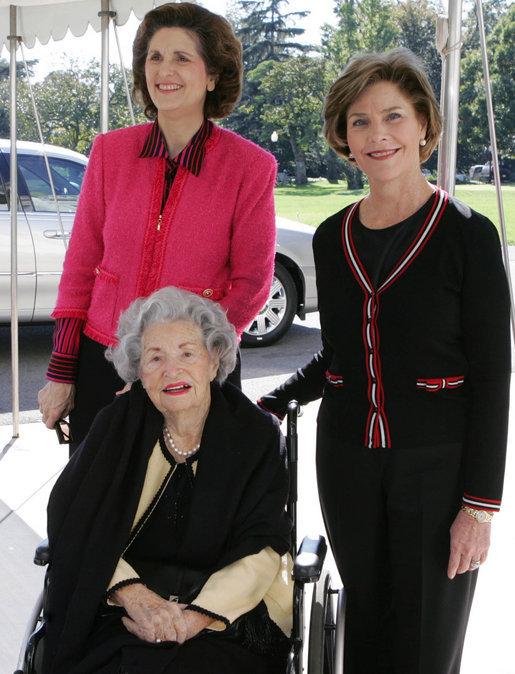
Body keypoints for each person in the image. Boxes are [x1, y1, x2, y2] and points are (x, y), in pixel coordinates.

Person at [258, 48, 511, 673]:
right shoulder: (330, 235)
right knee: (366, 635)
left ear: (423, 124)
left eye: (393, 117)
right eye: (361, 121)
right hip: (346, 465)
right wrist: (280, 395)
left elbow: (494, 375)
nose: (378, 135)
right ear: (344, 135)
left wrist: (479, 506)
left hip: (440, 469)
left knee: (426, 647)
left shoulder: (468, 235)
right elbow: (342, 352)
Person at [38, 2, 277, 452]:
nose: (165, 69)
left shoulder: (250, 167)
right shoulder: (109, 153)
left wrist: (184, 361)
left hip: (195, 371)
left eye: (182, 58)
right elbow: (80, 268)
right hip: (104, 361)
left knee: (188, 513)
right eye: (155, 57)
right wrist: (61, 371)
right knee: (99, 509)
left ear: (212, 76)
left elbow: (251, 285)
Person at [42, 286, 293, 674]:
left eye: (187, 354)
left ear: (215, 362)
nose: (171, 370)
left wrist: (192, 619)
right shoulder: (117, 425)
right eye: (155, 357)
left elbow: (264, 548)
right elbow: (77, 520)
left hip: (225, 618)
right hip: (124, 610)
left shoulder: (255, 436)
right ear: (138, 371)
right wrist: (133, 595)